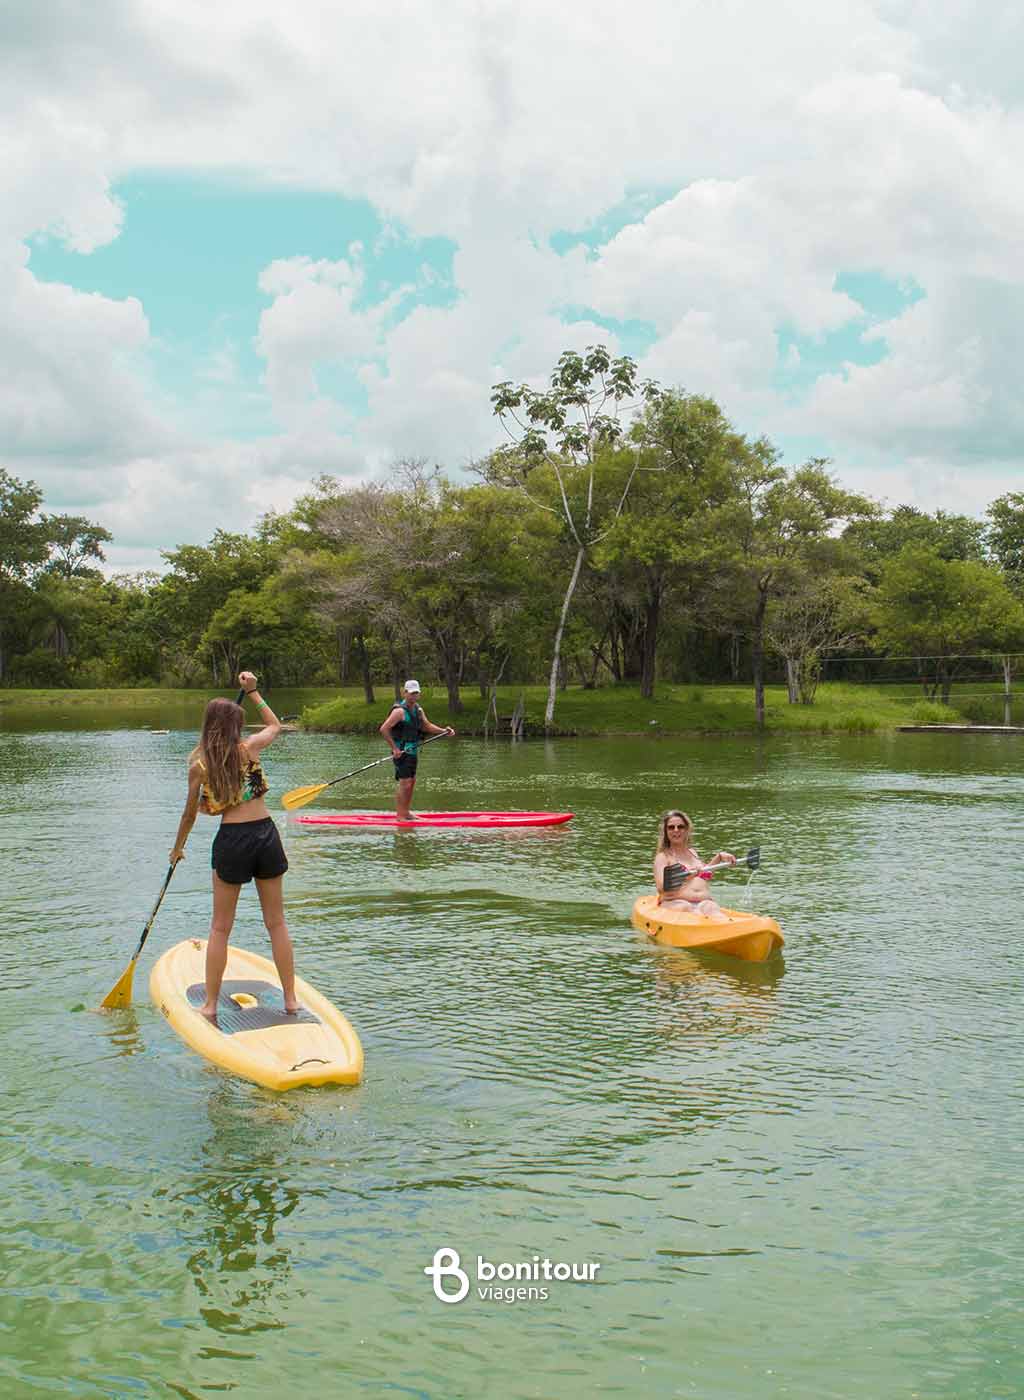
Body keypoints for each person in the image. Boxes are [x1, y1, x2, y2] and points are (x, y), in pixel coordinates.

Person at [169, 671, 297, 1023]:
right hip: (266, 835)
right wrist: (255, 692)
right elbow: (274, 726)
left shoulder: (199, 766)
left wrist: (177, 849)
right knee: (277, 923)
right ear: (234, 727)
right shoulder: (249, 748)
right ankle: (290, 1001)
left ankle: (209, 1005)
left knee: (220, 927)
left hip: (233, 840)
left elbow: (189, 815)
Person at [379, 679, 454, 820]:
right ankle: (400, 815)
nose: (414, 696)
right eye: (411, 693)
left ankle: (406, 812)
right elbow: (383, 729)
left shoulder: (418, 710)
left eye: (416, 693)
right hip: (401, 752)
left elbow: (426, 726)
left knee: (411, 782)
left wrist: (443, 731)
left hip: (412, 751)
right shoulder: (399, 712)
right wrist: (394, 749)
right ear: (405, 693)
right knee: (405, 782)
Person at [653, 810, 737, 923]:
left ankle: (731, 929)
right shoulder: (663, 857)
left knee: (711, 908)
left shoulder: (692, 852)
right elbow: (661, 888)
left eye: (680, 827)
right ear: (666, 831)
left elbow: (703, 876)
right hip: (677, 904)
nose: (676, 830)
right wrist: (687, 876)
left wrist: (719, 857)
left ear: (687, 829)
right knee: (686, 908)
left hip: (703, 902)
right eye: (671, 827)